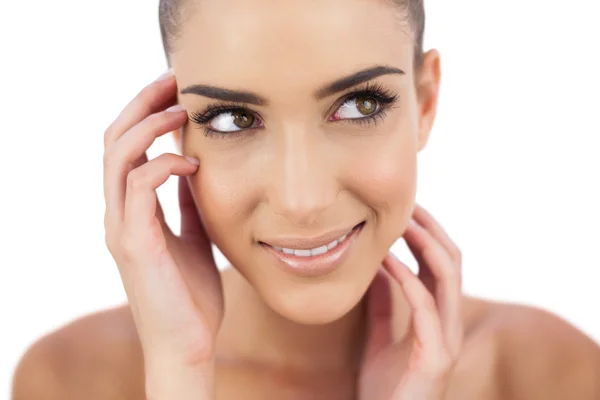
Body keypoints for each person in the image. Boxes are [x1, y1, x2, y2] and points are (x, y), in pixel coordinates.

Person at [11, 0, 600, 399]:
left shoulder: (544, 373)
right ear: (172, 131)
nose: (302, 200)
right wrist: (179, 376)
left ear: (424, 102)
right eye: (234, 117)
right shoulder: (75, 379)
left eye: (359, 105)